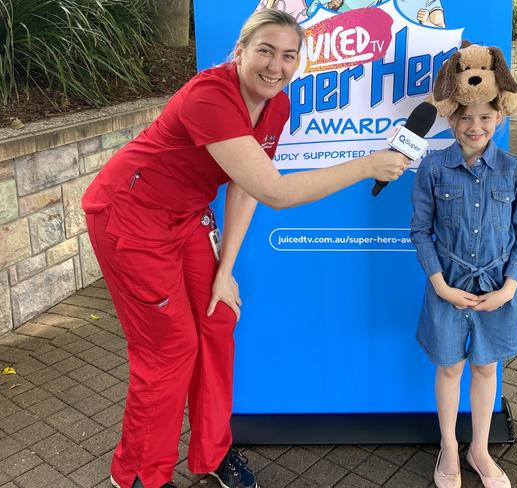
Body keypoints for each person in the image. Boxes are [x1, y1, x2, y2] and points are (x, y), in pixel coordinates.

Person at [82, 8, 409, 488]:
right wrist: (367, 165)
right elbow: (276, 191)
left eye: (288, 56)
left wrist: (224, 268)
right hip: (131, 216)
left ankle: (211, 454)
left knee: (217, 318)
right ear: (240, 52)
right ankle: (137, 475)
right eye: (265, 51)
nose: (276, 66)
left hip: (187, 216)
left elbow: (244, 187)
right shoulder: (209, 97)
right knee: (170, 349)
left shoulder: (277, 106)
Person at [410, 52, 517, 488]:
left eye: (485, 115)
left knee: (486, 368)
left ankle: (478, 448)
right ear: (451, 119)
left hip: (497, 290)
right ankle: (449, 445)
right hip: (448, 289)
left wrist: (509, 287)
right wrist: (440, 285)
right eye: (465, 116)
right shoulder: (431, 167)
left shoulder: (515, 170)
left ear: (499, 117)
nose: (475, 126)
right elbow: (420, 232)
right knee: (449, 367)